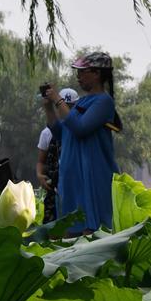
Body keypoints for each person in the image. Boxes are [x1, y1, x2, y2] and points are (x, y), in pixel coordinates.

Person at [42, 53, 120, 235]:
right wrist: (49, 108)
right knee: (69, 227)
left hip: (92, 174)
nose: (78, 76)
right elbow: (61, 133)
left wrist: (58, 100)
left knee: (90, 229)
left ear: (97, 74)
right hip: (72, 175)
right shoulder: (81, 103)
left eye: (83, 72)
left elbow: (80, 127)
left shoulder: (103, 101)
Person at [36, 88, 78, 224]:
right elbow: (41, 161)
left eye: (70, 106)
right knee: (53, 226)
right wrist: (40, 175)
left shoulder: (80, 129)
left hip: (75, 183)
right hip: (53, 187)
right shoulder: (47, 133)